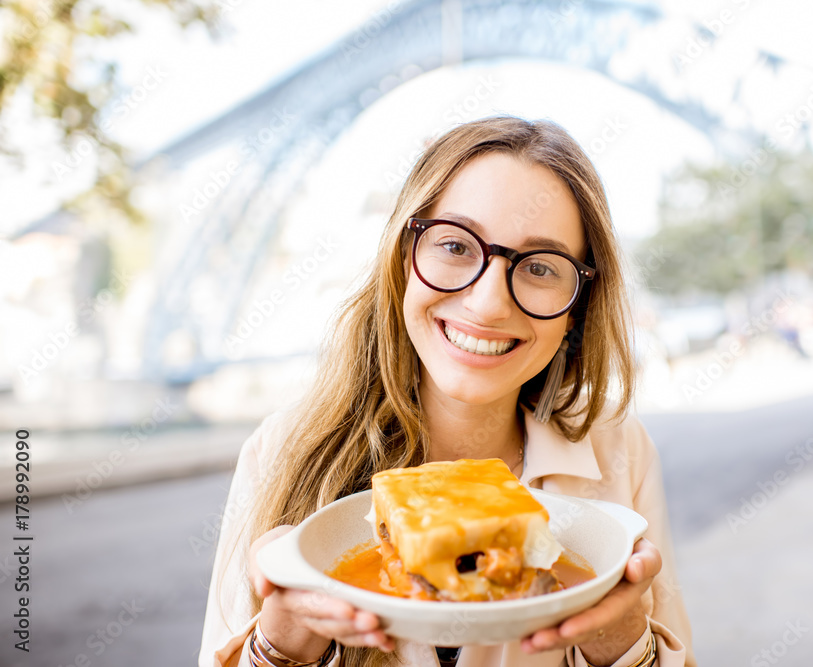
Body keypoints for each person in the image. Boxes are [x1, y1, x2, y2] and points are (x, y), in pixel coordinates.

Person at [199, 116, 697, 667]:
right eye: (456, 245)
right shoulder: (280, 452)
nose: (487, 304)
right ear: (401, 261)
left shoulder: (621, 451)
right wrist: (284, 642)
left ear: (577, 307)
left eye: (539, 266)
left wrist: (622, 643)